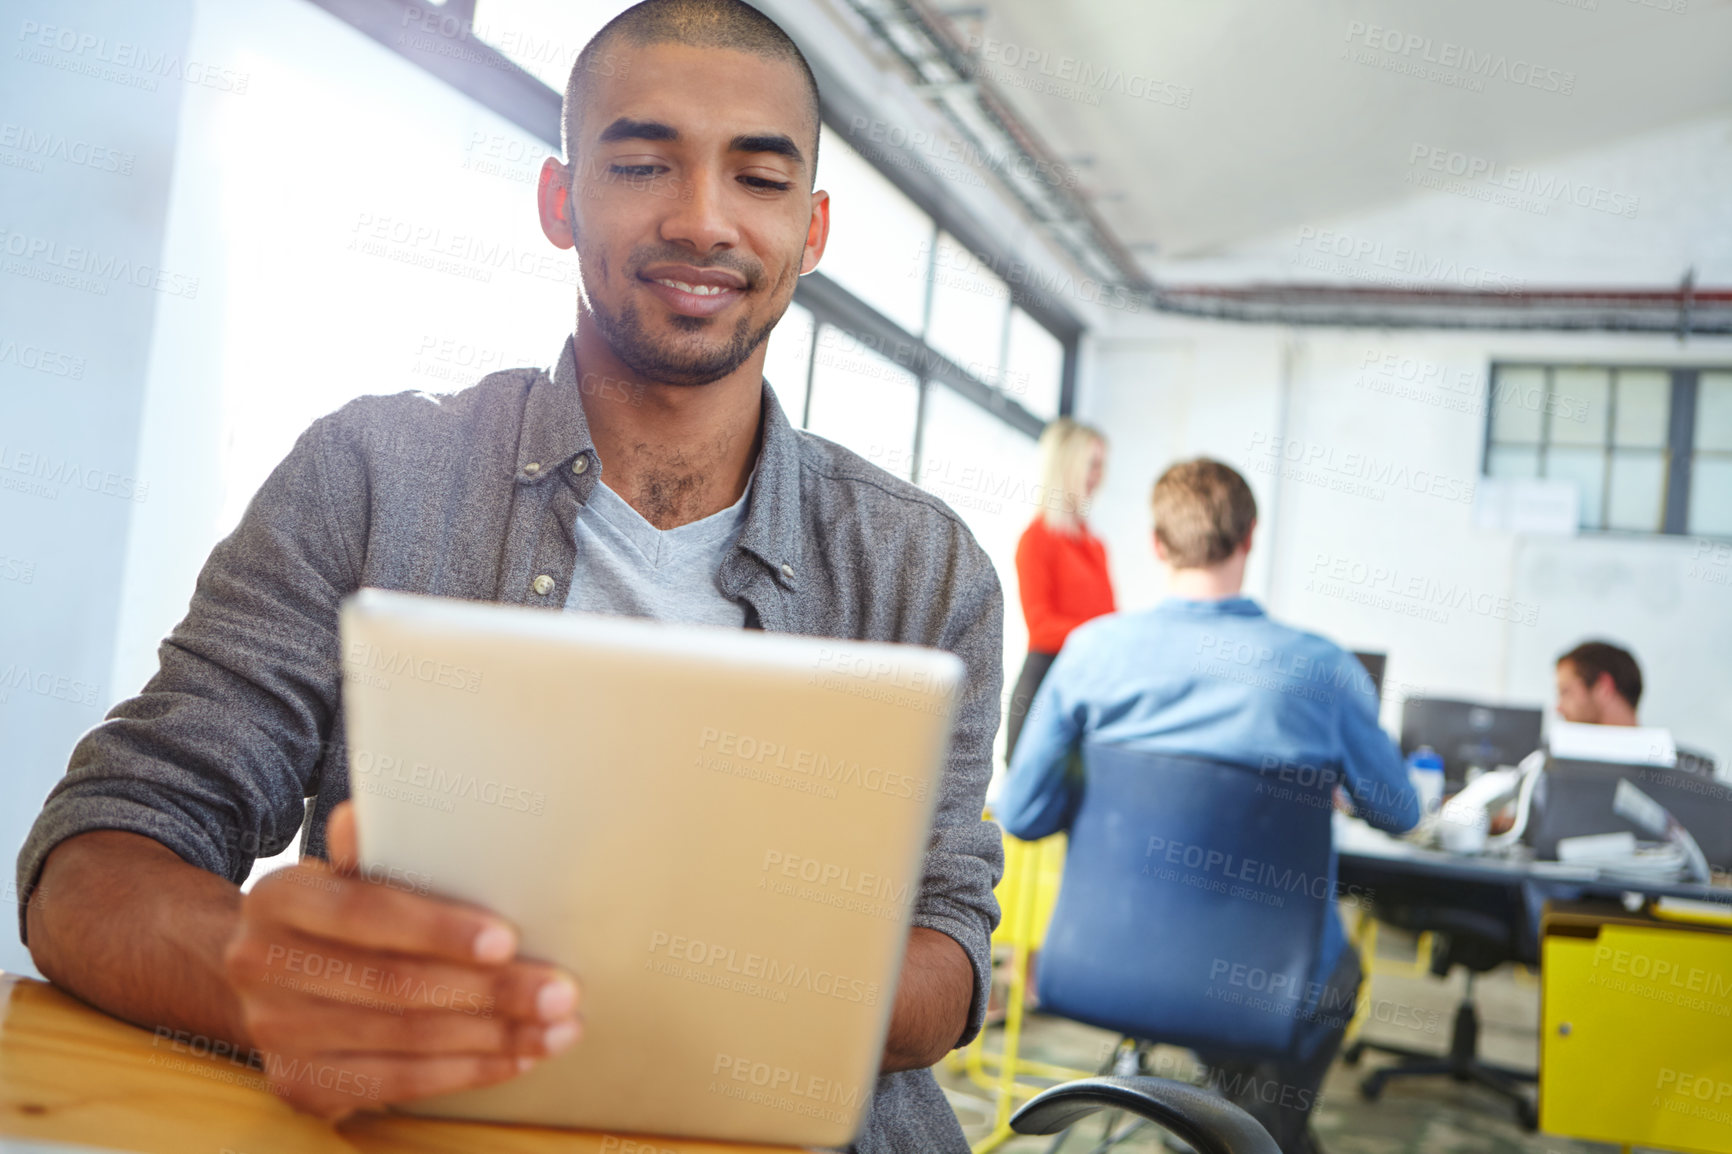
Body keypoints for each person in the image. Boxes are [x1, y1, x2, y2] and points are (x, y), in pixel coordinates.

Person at [14, 3, 1004, 1149]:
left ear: (813, 229)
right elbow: (98, 855)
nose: (701, 219)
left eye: (760, 179)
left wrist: (705, 1005)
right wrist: (261, 973)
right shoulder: (372, 472)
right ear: (557, 198)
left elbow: (946, 952)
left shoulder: (924, 569)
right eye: (641, 163)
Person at [996, 458, 1418, 1154]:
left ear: (1157, 545)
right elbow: (1399, 811)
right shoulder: (1321, 667)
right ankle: (1249, 1133)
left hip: (1102, 963)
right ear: (1250, 537)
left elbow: (1023, 813)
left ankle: (1222, 1126)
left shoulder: (1091, 652)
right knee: (1332, 977)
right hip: (1266, 981)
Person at [1004, 418, 1114, 761]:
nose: (1099, 476)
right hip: (1045, 686)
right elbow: (1042, 628)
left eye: (1102, 466)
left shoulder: (1094, 545)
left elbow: (1110, 618)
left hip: (1087, 686)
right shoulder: (1036, 540)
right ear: (1067, 466)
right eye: (1092, 465)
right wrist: (1105, 634)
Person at [1553, 640, 1714, 774]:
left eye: (1566, 692)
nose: (1558, 708)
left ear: (1603, 687)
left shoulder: (1691, 773)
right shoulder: (1546, 769)